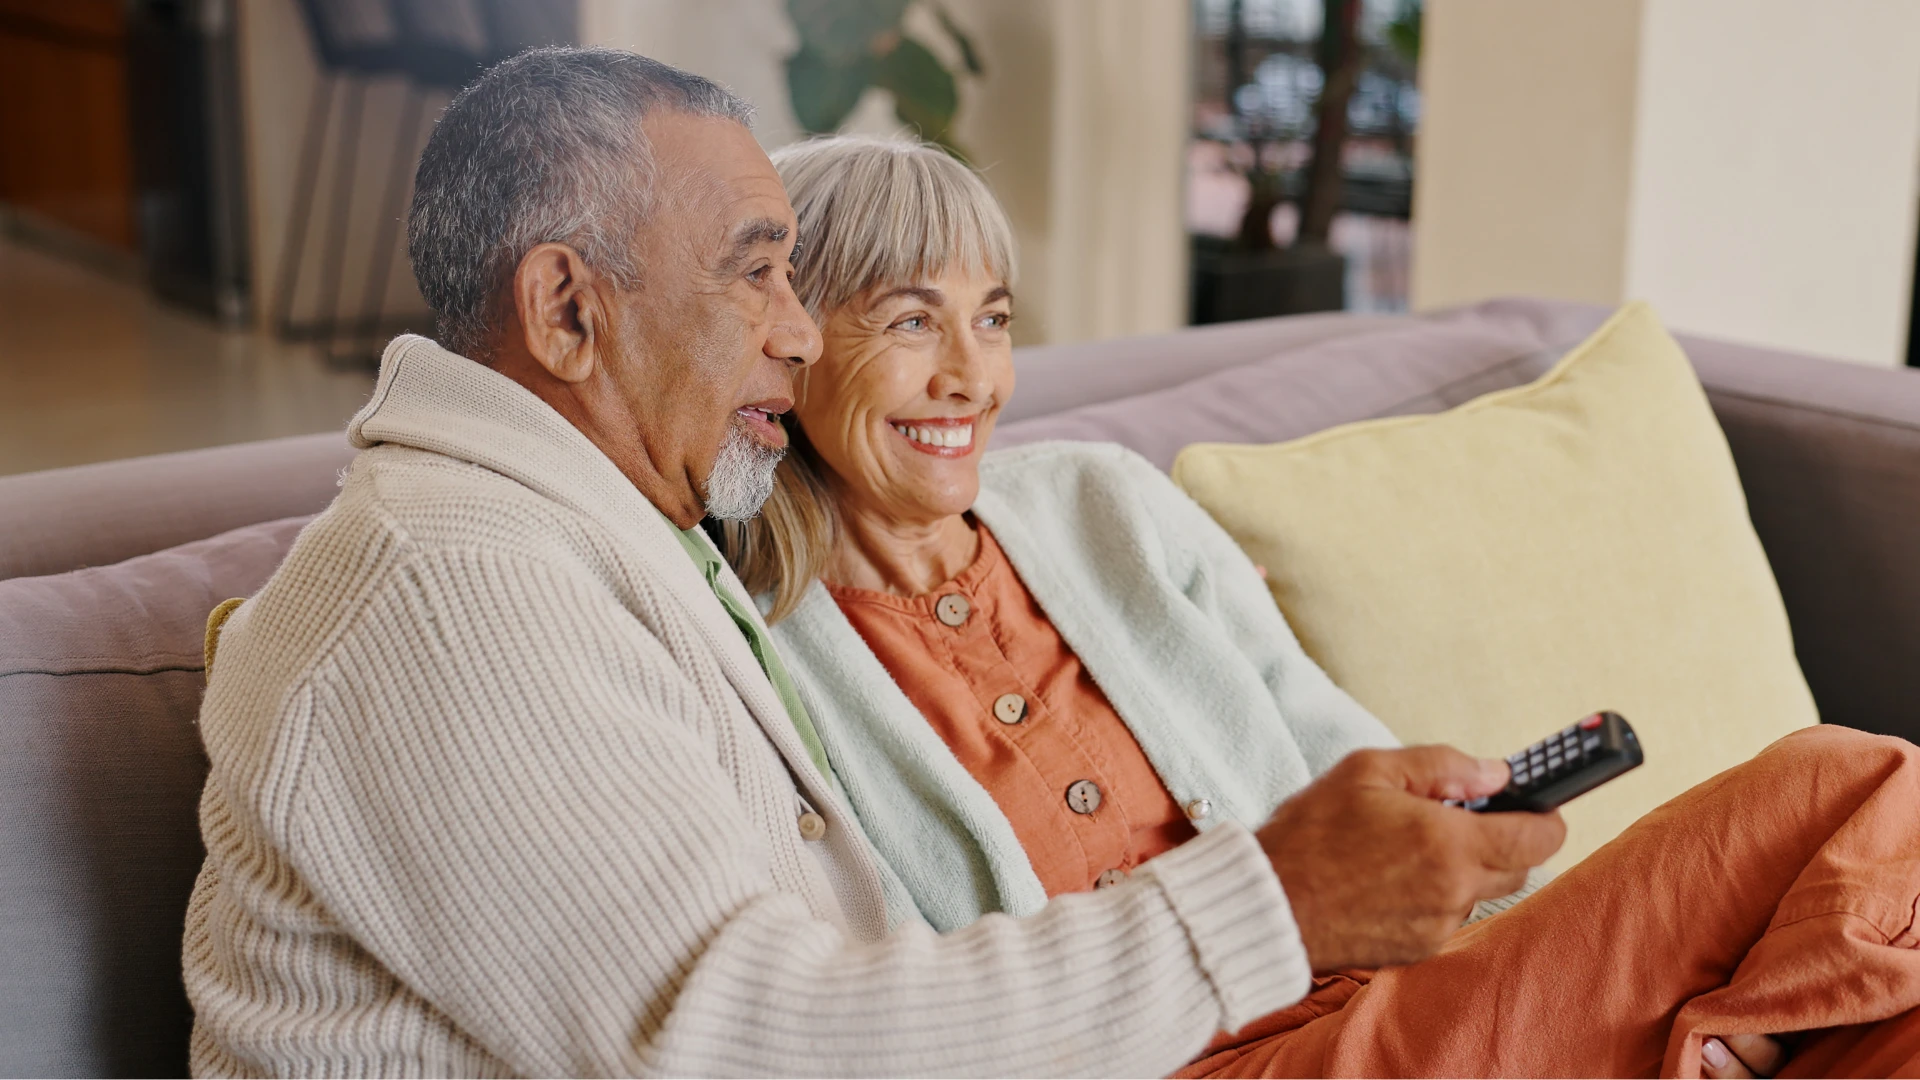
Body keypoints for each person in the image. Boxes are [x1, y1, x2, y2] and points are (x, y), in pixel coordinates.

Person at [183, 47, 1575, 1078]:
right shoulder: (450, 596)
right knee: (1788, 819)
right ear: (567, 310)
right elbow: (748, 1049)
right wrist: (1274, 901)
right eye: (758, 276)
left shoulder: (617, 550)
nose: (796, 337)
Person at [729, 134, 1920, 1078]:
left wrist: (1586, 969)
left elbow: (1334, 753)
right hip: (1205, 1060)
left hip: (1401, 1003)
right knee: (1843, 780)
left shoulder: (1099, 502)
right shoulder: (749, 643)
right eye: (907, 320)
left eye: (991, 317)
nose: (971, 376)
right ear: (789, 347)